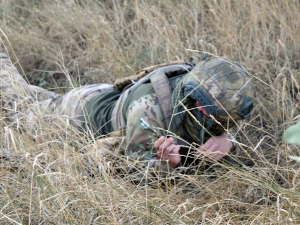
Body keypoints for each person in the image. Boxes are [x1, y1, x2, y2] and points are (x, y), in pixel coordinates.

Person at [0, 44, 255, 183]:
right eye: (219, 121)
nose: (224, 125)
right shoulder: (150, 112)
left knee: (34, 96)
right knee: (17, 103)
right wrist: (168, 165)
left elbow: (227, 134)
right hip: (79, 114)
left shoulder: (202, 88)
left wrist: (230, 143)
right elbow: (131, 169)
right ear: (200, 108)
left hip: (108, 96)